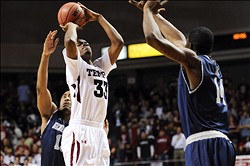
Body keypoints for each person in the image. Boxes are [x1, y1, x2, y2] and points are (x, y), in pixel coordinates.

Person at [129, 0, 236, 165]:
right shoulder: (211, 65)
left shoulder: (194, 62)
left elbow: (152, 39)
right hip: (222, 141)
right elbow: (177, 39)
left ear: (191, 46)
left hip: (203, 143)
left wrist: (147, 12)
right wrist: (155, 15)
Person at [60, 2, 124, 165]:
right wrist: (71, 26)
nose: (85, 44)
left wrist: (99, 18)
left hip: (99, 131)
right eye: (81, 44)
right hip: (80, 129)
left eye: (87, 43)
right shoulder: (76, 66)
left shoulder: (99, 66)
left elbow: (118, 43)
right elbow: (70, 43)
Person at [36, 30, 71, 166]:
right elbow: (41, 89)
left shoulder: (80, 122)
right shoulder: (50, 114)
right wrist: (45, 55)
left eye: (70, 96)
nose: (66, 98)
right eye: (64, 96)